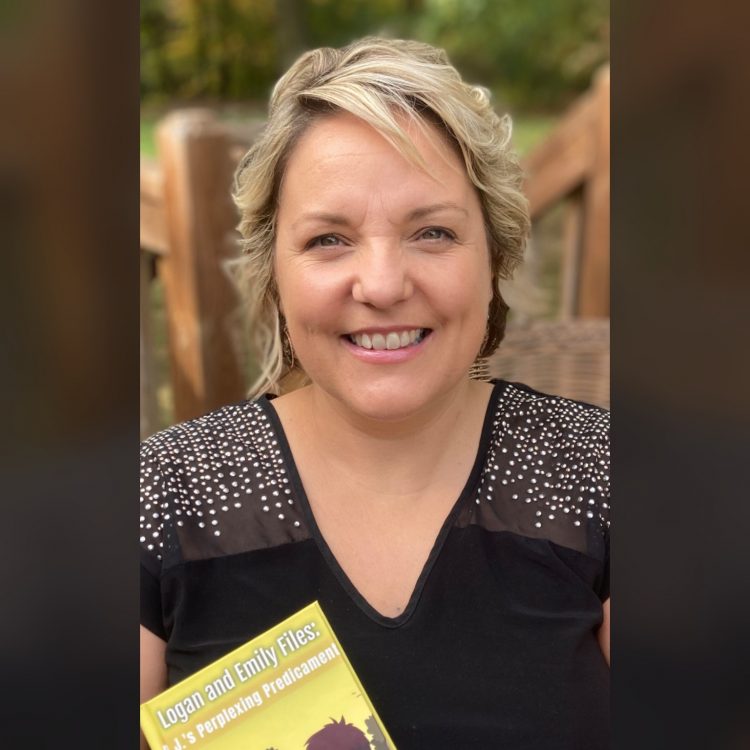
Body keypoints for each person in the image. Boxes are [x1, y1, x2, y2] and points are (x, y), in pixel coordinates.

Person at [140, 37, 610, 748]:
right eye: (330, 239)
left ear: (495, 258)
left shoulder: (603, 474)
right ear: (275, 275)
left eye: (432, 232)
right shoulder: (164, 493)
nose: (384, 284)